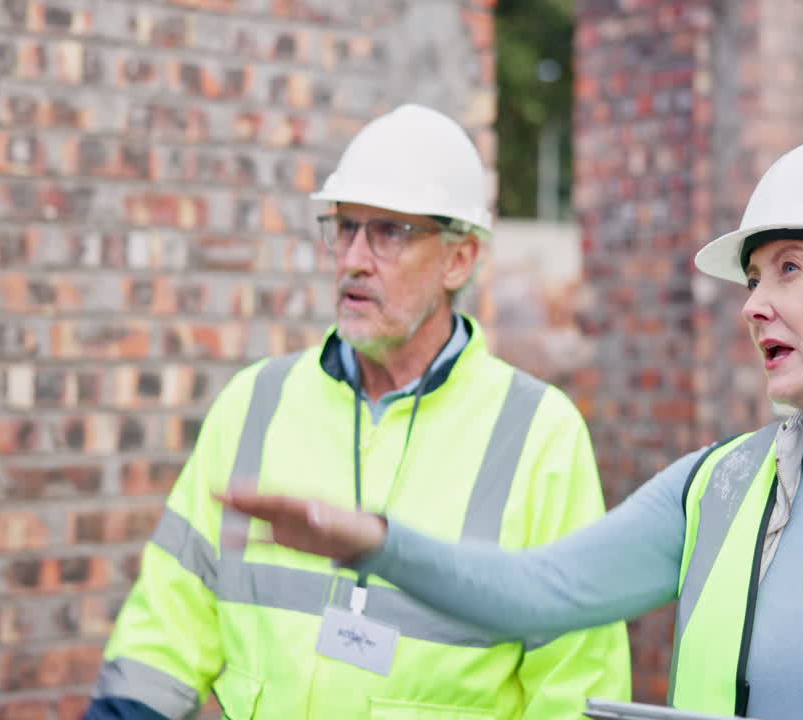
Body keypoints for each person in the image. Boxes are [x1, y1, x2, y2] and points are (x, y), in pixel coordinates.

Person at [222, 138, 803, 720]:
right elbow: (537, 593)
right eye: (753, 277)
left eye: (789, 268)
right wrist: (375, 543)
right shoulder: (718, 488)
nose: (754, 305)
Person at [84, 104, 631, 720]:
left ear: (460, 259)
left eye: (389, 233)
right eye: (345, 228)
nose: (354, 259)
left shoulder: (538, 433)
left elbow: (575, 681)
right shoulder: (254, 403)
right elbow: (166, 626)